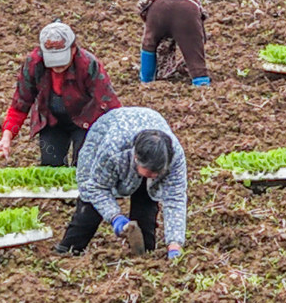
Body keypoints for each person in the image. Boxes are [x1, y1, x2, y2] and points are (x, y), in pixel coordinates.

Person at [53, 107, 187, 260]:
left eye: (158, 173)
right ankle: (68, 250)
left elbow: (175, 198)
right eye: (150, 172)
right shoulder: (113, 149)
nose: (154, 176)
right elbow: (97, 187)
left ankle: (144, 255)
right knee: (90, 207)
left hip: (145, 131)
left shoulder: (175, 156)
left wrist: (175, 244)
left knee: (146, 204)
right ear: (136, 158)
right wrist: (115, 217)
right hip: (106, 134)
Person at [0, 21, 121, 167]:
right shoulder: (34, 64)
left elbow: (109, 104)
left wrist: (117, 136)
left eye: (61, 59)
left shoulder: (88, 65)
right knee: (51, 164)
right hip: (51, 120)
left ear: (73, 49)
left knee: (84, 164)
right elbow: (20, 104)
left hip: (86, 119)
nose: (57, 66)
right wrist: (7, 137)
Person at [137, 0, 210, 86]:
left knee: (149, 44)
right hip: (186, 12)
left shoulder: (156, 0)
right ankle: (201, 82)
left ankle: (146, 80)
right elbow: (200, 35)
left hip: (157, 11)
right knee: (193, 51)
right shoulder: (192, 2)